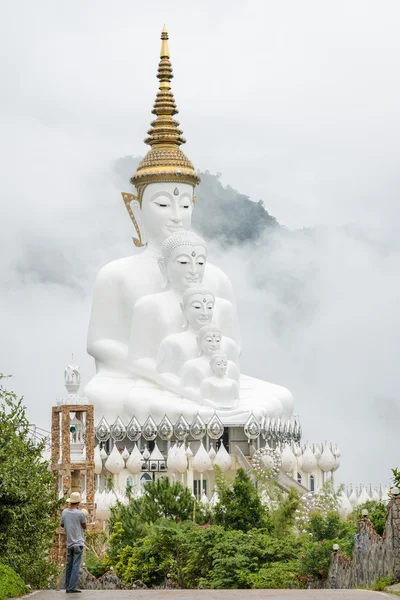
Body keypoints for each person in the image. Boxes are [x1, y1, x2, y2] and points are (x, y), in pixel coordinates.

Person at [60, 491, 87, 593]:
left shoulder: (64, 512)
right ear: (78, 503)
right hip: (78, 543)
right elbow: (85, 526)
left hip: (69, 543)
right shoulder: (80, 513)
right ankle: (72, 588)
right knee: (76, 566)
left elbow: (62, 525)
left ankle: (67, 587)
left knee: (69, 565)